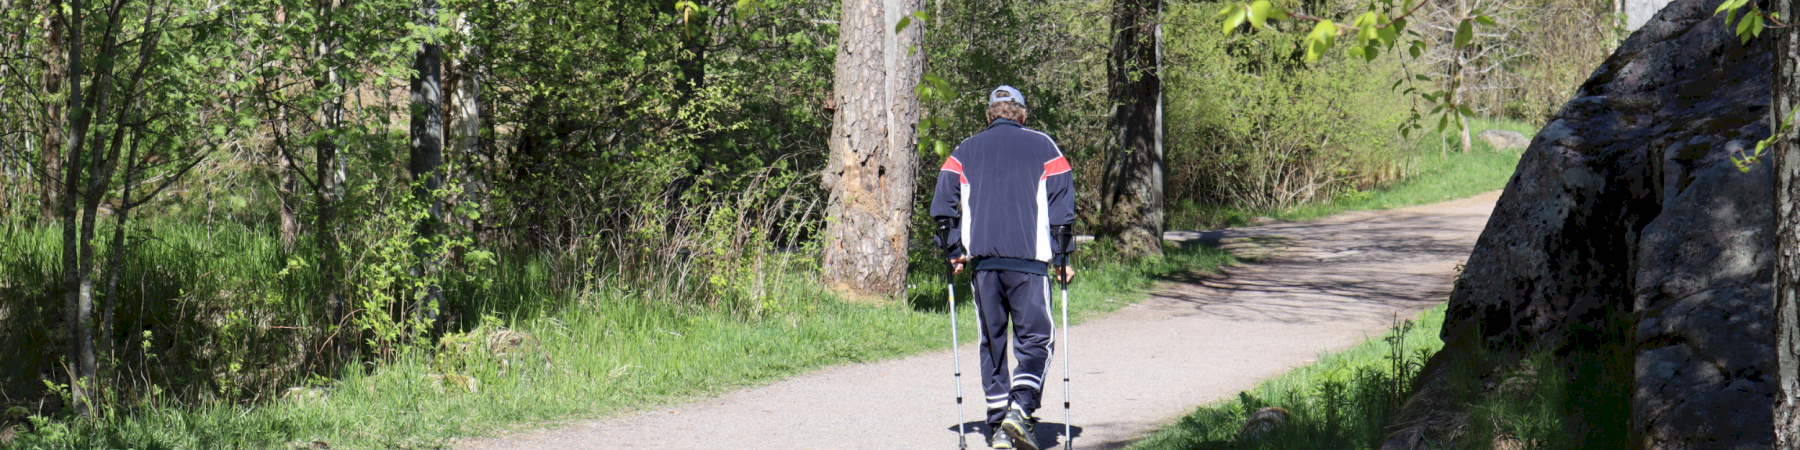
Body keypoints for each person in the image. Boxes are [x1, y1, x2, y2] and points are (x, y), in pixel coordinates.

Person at [932, 85, 1076, 450]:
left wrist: (952, 252)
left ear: (989, 115)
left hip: (983, 266)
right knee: (1037, 338)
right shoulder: (1045, 146)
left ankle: (998, 423)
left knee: (991, 340)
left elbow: (943, 205)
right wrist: (1062, 258)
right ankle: (1021, 409)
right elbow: (1061, 206)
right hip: (1028, 264)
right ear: (1022, 114)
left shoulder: (964, 150)